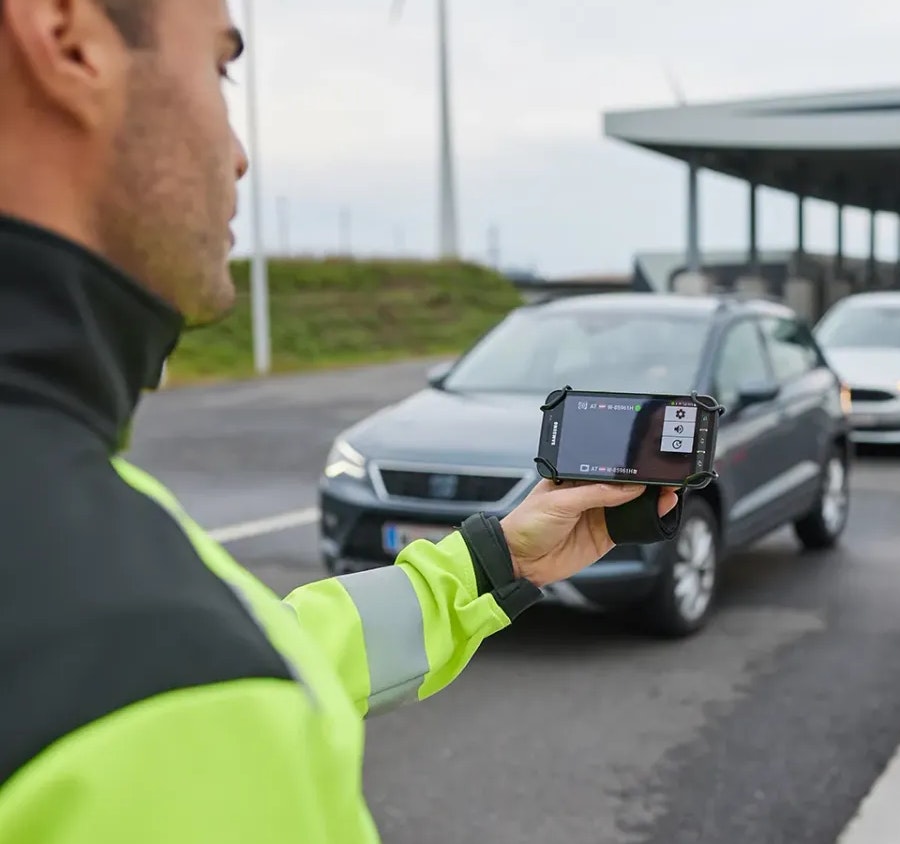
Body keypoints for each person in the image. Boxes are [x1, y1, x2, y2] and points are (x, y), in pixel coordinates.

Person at [0, 1, 677, 840]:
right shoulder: (160, 678)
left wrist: (490, 564)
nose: (239, 155)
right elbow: (212, 680)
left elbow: (271, 647)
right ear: (67, 38)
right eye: (218, 69)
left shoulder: (75, 572)